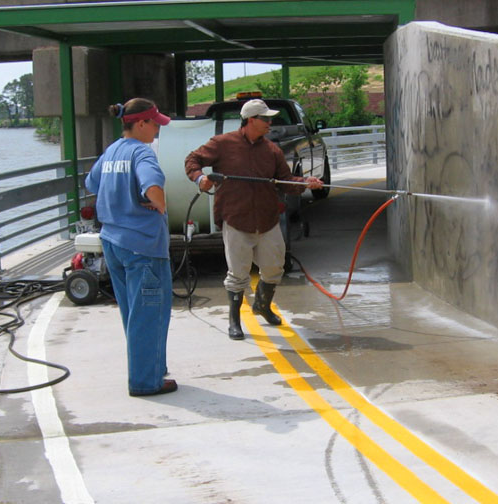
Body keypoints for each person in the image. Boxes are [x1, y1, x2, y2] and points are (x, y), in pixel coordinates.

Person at [184, 99, 323, 340]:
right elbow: (192, 160)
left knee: (274, 268)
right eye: (266, 119)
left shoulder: (272, 150)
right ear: (251, 120)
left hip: (267, 219)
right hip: (236, 219)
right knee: (238, 274)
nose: (270, 123)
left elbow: (285, 181)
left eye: (270, 119)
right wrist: (200, 179)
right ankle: (234, 321)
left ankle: (262, 305)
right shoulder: (222, 144)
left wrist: (305, 183)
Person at [85, 98, 177, 397]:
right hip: (144, 249)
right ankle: (145, 382)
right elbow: (153, 188)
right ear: (140, 123)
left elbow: (91, 183)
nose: (157, 131)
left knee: (133, 314)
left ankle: (152, 368)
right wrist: (158, 205)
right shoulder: (142, 153)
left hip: (113, 244)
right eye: (154, 124)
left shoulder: (112, 151)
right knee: (150, 314)